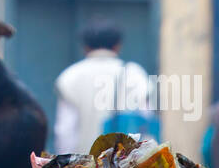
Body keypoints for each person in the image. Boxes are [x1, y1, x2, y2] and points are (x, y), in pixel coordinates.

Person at [53, 20, 156, 154]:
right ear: (117, 45)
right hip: (127, 167)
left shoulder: (70, 76)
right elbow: (147, 124)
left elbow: (65, 132)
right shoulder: (135, 74)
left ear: (85, 46)